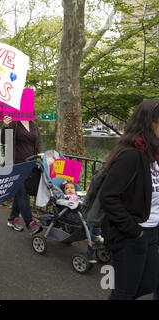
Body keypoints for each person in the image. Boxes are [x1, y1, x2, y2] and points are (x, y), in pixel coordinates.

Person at [100, 99, 159, 300]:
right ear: (150, 123)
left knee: (148, 284)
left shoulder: (154, 154)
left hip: (152, 232)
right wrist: (134, 231)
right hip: (131, 235)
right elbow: (108, 197)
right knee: (124, 293)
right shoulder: (131, 155)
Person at [1, 115, 43, 233]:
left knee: (21, 194)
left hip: (30, 165)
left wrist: (42, 153)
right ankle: (30, 223)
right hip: (14, 165)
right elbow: (4, 141)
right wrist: (5, 126)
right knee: (22, 193)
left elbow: (39, 142)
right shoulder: (14, 122)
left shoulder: (33, 124)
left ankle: (12, 219)